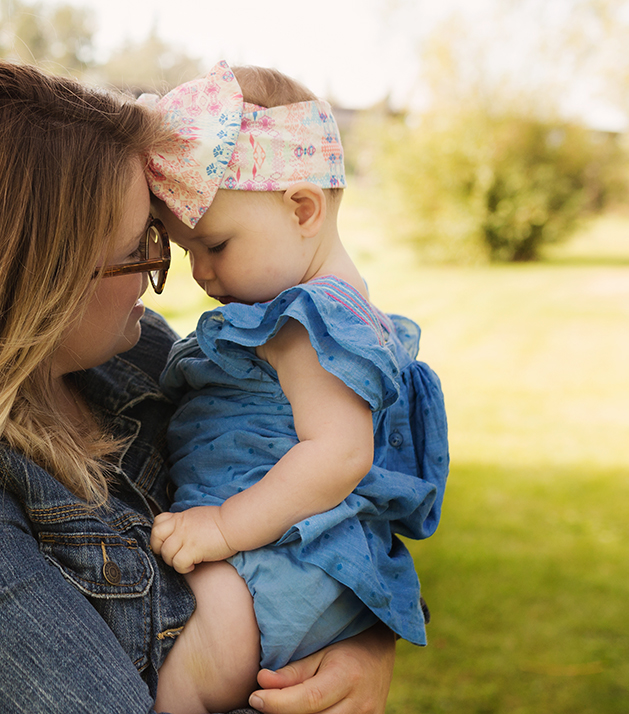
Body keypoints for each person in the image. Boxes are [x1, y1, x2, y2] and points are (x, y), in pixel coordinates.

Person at [0, 59, 398, 714]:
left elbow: (334, 493)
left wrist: (361, 647)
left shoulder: (137, 356)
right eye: (140, 249)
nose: (167, 274)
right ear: (35, 281)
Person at [143, 62, 449, 714]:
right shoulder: (321, 314)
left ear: (302, 208)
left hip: (273, 560)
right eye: (186, 251)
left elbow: (339, 454)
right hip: (279, 551)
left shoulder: (311, 323)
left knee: (199, 668)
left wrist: (224, 528)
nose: (199, 272)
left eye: (215, 245)